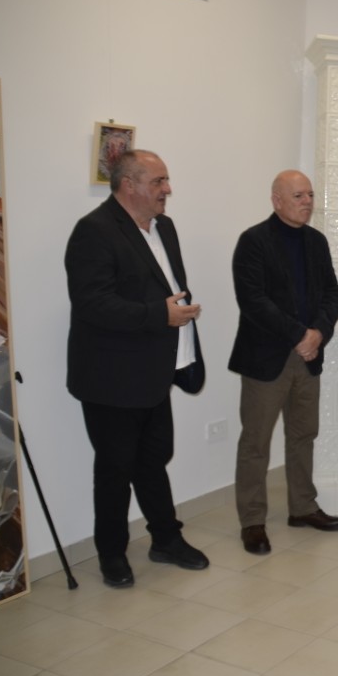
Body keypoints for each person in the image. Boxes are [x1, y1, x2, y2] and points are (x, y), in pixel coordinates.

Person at [65, 150, 208, 588]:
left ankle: (166, 539)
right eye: (159, 181)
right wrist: (159, 315)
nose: (168, 189)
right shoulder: (94, 231)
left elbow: (170, 288)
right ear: (129, 185)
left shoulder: (164, 227)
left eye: (166, 180)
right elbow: (92, 303)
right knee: (115, 471)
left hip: (155, 372)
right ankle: (111, 554)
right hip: (111, 377)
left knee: (153, 461)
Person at [228, 170, 338, 556]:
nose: (307, 202)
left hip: (308, 358)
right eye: (298, 196)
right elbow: (253, 300)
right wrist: (300, 335)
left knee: (303, 435)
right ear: (276, 200)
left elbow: (332, 293)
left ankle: (303, 507)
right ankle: (252, 520)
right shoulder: (253, 241)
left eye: (310, 195)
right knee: (256, 442)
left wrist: (318, 333)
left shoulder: (316, 241)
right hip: (267, 359)